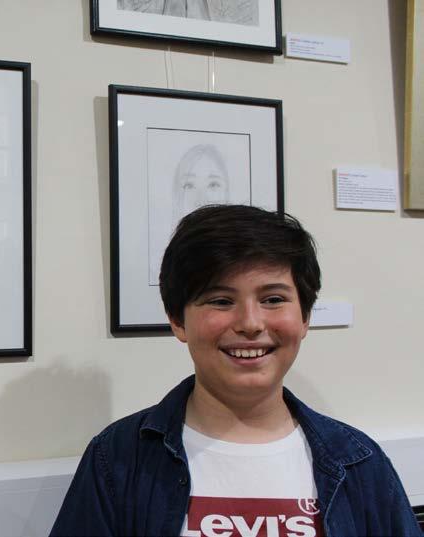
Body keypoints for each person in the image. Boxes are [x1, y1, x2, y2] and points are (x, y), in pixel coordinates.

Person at [50, 205, 421, 536]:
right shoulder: (117, 457)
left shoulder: (359, 463)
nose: (250, 323)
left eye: (273, 299)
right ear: (178, 320)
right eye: (221, 301)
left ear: (305, 317)